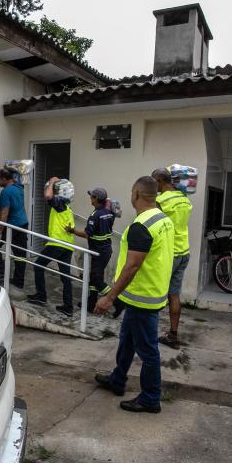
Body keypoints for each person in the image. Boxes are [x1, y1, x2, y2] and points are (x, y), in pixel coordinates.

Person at [94, 176, 174, 413]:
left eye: (132, 192)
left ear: (136, 194)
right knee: (127, 340)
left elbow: (132, 266)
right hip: (148, 293)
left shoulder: (142, 226)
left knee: (148, 350)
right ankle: (118, 379)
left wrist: (109, 297)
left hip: (142, 297)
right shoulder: (163, 219)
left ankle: (151, 398)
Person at [151, 168, 193, 349]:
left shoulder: (160, 201)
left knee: (155, 295)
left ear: (160, 181)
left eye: (153, 182)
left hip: (168, 254)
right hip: (184, 252)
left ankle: (148, 334)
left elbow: (153, 225)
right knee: (174, 295)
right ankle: (173, 334)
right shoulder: (184, 198)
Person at [28, 177, 75, 316]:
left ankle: (41, 296)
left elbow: (48, 196)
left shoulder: (59, 204)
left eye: (55, 190)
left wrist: (52, 181)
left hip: (57, 244)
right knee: (65, 277)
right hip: (67, 246)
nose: (53, 192)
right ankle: (68, 307)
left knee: (38, 265)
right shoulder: (67, 208)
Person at [66, 188, 115, 312]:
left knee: (97, 280)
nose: (90, 198)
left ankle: (118, 302)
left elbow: (86, 234)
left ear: (96, 199)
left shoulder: (95, 215)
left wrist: (72, 231)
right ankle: (91, 303)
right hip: (105, 250)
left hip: (99, 252)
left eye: (92, 196)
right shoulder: (109, 212)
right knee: (94, 278)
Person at [0, 167, 28, 288]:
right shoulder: (19, 188)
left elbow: (4, 213)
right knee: (20, 254)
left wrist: (0, 230)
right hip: (23, 224)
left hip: (12, 226)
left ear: (4, 179)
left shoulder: (6, 192)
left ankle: (0, 274)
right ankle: (19, 281)